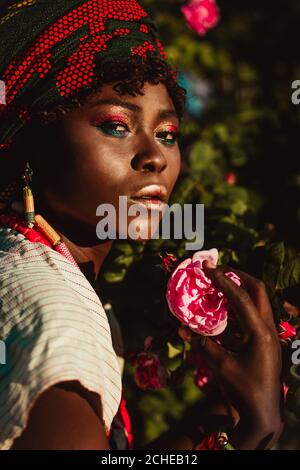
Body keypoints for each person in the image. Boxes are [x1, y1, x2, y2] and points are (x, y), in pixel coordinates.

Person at [0, 0, 283, 450]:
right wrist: (257, 428)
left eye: (167, 134)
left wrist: (227, 412)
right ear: (33, 141)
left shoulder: (21, 255)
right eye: (116, 126)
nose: (155, 156)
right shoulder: (60, 319)